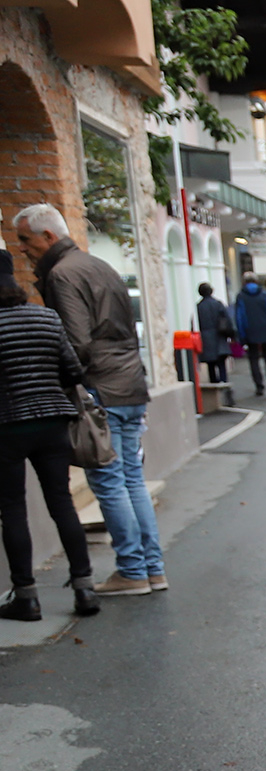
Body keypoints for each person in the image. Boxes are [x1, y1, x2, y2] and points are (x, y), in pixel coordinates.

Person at [12, 203, 159, 595]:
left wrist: (62, 385)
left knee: (110, 482)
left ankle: (132, 571)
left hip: (101, 391)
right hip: (129, 384)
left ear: (48, 236)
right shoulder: (96, 265)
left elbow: (76, 343)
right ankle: (151, 569)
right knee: (131, 480)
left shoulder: (62, 274)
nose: (21, 249)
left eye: (25, 240)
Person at [0, 251, 101, 620]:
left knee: (12, 509)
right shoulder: (46, 318)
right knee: (62, 504)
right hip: (54, 424)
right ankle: (84, 588)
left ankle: (26, 598)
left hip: (7, 428)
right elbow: (74, 371)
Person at [234, 278, 266, 397]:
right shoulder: (265, 295)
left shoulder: (241, 296)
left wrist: (242, 335)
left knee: (253, 359)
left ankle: (259, 386)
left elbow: (240, 317)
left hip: (250, 331)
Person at [194, 280, 235, 388]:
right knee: (221, 364)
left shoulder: (198, 307)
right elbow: (227, 320)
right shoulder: (218, 304)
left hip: (206, 339)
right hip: (219, 337)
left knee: (210, 365)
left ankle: (214, 386)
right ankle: (224, 385)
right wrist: (232, 335)